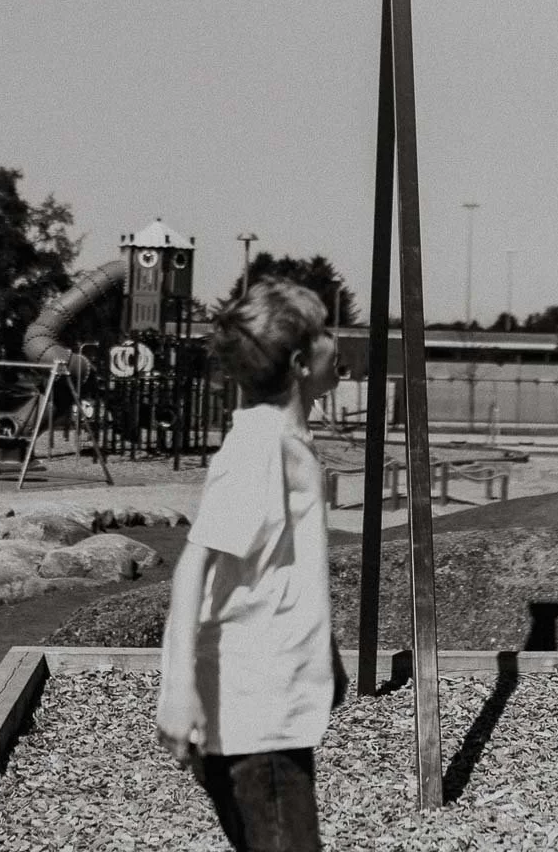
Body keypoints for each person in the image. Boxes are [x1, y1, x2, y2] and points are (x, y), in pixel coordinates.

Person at [156, 279, 347, 851]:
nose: (335, 340)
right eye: (323, 333)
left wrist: (327, 655)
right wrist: (178, 689)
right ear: (300, 363)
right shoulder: (260, 448)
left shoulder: (284, 441)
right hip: (254, 715)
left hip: (272, 701)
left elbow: (278, 570)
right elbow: (193, 564)